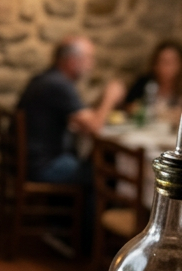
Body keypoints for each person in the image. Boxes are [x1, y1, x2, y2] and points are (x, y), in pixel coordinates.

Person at [17, 37, 124, 186]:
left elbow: (80, 119)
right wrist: (109, 98)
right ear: (72, 60)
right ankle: (91, 210)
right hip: (43, 165)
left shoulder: (46, 78)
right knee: (103, 173)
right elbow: (94, 127)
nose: (91, 65)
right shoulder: (58, 85)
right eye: (89, 58)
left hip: (30, 161)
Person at [124, 39, 182, 118]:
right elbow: (129, 106)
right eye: (162, 61)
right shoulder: (144, 82)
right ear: (155, 64)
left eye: (170, 62)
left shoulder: (179, 88)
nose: (166, 67)